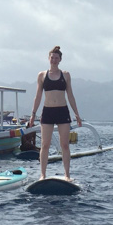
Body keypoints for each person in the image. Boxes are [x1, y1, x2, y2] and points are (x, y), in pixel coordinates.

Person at [27, 45, 83, 181]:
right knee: (45, 145)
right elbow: (38, 96)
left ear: (60, 60)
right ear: (48, 58)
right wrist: (33, 115)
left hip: (62, 111)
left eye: (56, 58)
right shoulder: (42, 75)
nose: (54, 60)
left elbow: (70, 95)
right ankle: (42, 175)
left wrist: (77, 114)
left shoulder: (66, 75)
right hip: (47, 112)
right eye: (52, 57)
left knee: (65, 144)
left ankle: (67, 175)